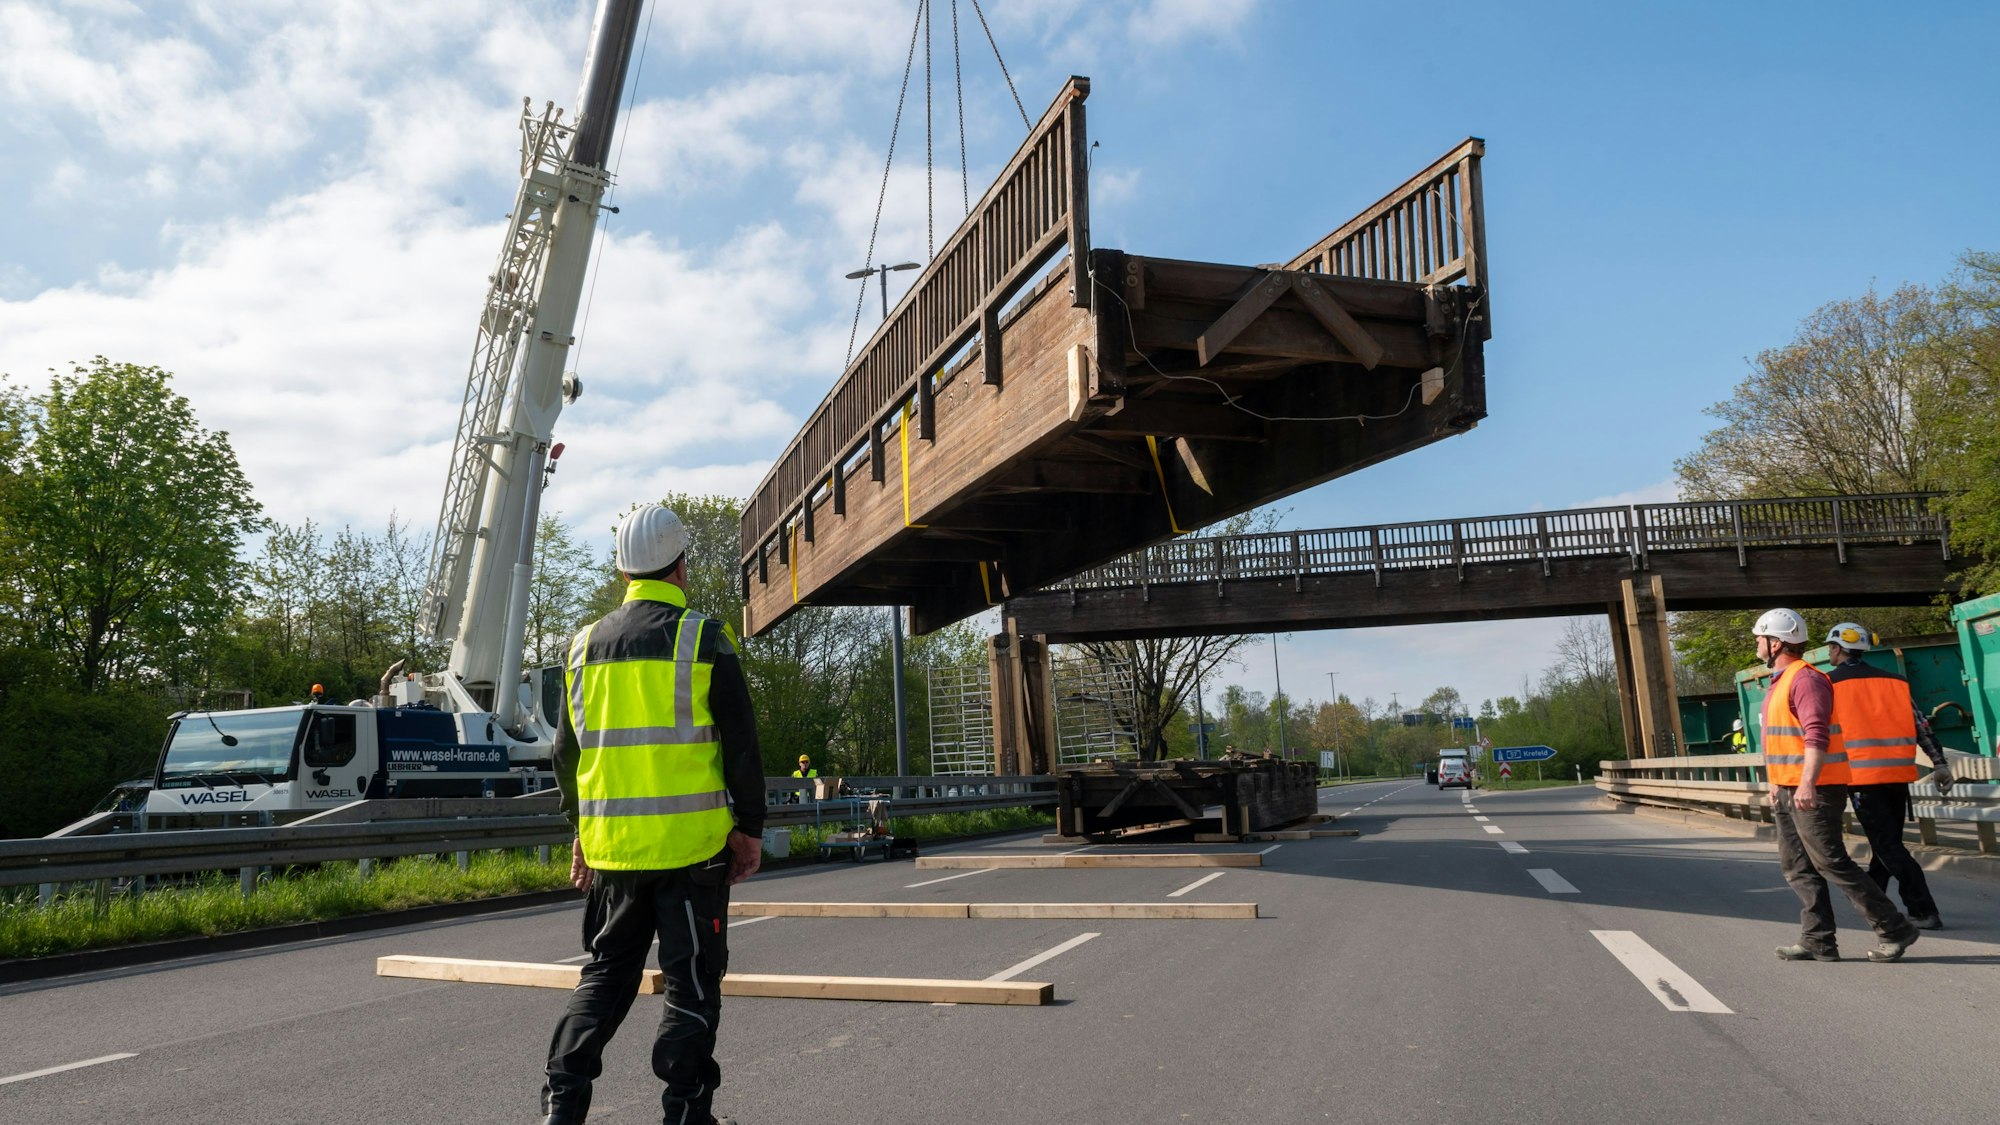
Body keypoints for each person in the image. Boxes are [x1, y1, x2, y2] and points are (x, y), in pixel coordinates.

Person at [540, 503, 764, 1125]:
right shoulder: (703, 637)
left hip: (614, 852)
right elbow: (741, 746)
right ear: (681, 566)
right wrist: (750, 830)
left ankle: (563, 1104)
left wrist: (582, 833)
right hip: (693, 851)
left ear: (623, 572)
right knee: (691, 986)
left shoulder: (583, 647)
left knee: (605, 977)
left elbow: (567, 756)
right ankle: (686, 1114)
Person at [1752, 608, 1919, 964]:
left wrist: (1807, 784)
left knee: (1830, 862)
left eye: (1760, 637)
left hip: (1814, 787)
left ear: (1776, 642)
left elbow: (1816, 735)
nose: (1756, 643)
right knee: (1797, 866)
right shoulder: (1780, 681)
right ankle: (1818, 941)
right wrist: (1775, 782)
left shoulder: (1806, 679)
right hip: (1787, 787)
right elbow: (1782, 741)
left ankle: (1895, 928)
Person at [1824, 622, 1955, 930]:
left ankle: (1923, 910)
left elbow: (1819, 735)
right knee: (1887, 842)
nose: (1830, 651)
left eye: (1831, 647)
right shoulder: (1895, 682)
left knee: (1888, 846)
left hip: (1861, 779)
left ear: (1838, 649)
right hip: (1898, 776)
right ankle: (1873, 899)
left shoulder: (1828, 685)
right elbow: (1922, 726)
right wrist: (1939, 764)